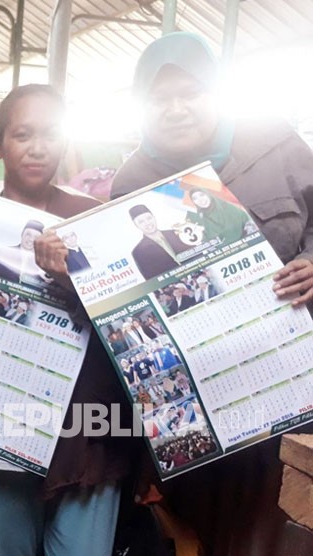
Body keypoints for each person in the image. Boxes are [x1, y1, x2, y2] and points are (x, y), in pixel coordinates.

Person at [110, 31, 313, 556]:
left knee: (276, 528)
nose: (176, 109)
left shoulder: (279, 146)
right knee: (197, 529)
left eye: (191, 92)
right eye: (159, 98)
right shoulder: (132, 180)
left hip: (286, 393)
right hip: (193, 407)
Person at [0, 84, 133, 556]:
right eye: (22, 134)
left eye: (50, 133)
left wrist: (74, 279)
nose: (38, 147)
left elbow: (126, 328)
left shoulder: (96, 221)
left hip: (85, 432)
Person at [128, 204, 193, 279]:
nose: (147, 223)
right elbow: (152, 280)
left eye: (149, 218)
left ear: (154, 217)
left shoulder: (176, 233)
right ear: (136, 225)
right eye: (141, 222)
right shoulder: (138, 252)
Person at [0, 220, 51, 286]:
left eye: (36, 237)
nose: (31, 239)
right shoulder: (3, 252)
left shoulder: (43, 264)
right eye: (28, 234)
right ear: (22, 234)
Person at [186, 187, 252, 245]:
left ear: (208, 194)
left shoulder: (228, 208)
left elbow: (249, 224)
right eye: (195, 198)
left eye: (202, 195)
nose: (200, 200)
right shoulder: (199, 220)